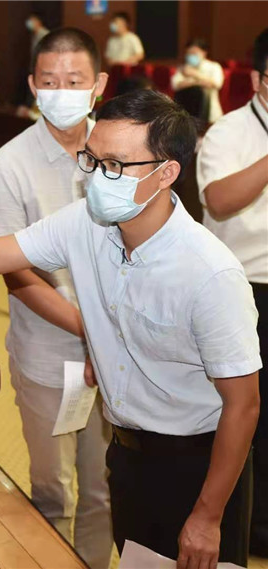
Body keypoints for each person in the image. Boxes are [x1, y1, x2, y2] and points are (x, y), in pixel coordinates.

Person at [0, 89, 260, 568]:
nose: (96, 178)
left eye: (115, 166)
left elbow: (243, 405)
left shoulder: (209, 273)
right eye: (92, 160)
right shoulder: (88, 224)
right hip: (127, 452)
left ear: (166, 173)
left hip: (197, 466)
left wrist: (207, 516)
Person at [0, 28, 112, 569]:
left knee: (104, 489)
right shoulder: (9, 164)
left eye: (75, 81)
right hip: (49, 353)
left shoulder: (119, 151)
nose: (63, 92)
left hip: (117, 355)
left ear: (98, 84)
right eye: (50, 82)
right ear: (33, 86)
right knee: (53, 491)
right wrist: (89, 330)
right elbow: (15, 273)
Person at [197, 27, 268, 557]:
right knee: (248, 420)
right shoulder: (228, 132)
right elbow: (219, 201)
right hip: (247, 289)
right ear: (261, 80)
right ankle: (252, 529)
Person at [171, 39, 225, 123]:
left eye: (194, 53)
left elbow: (216, 83)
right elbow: (175, 85)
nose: (191, 56)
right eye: (188, 53)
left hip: (210, 115)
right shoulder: (183, 68)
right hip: (186, 114)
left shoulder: (214, 67)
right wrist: (197, 83)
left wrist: (194, 74)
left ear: (204, 53)